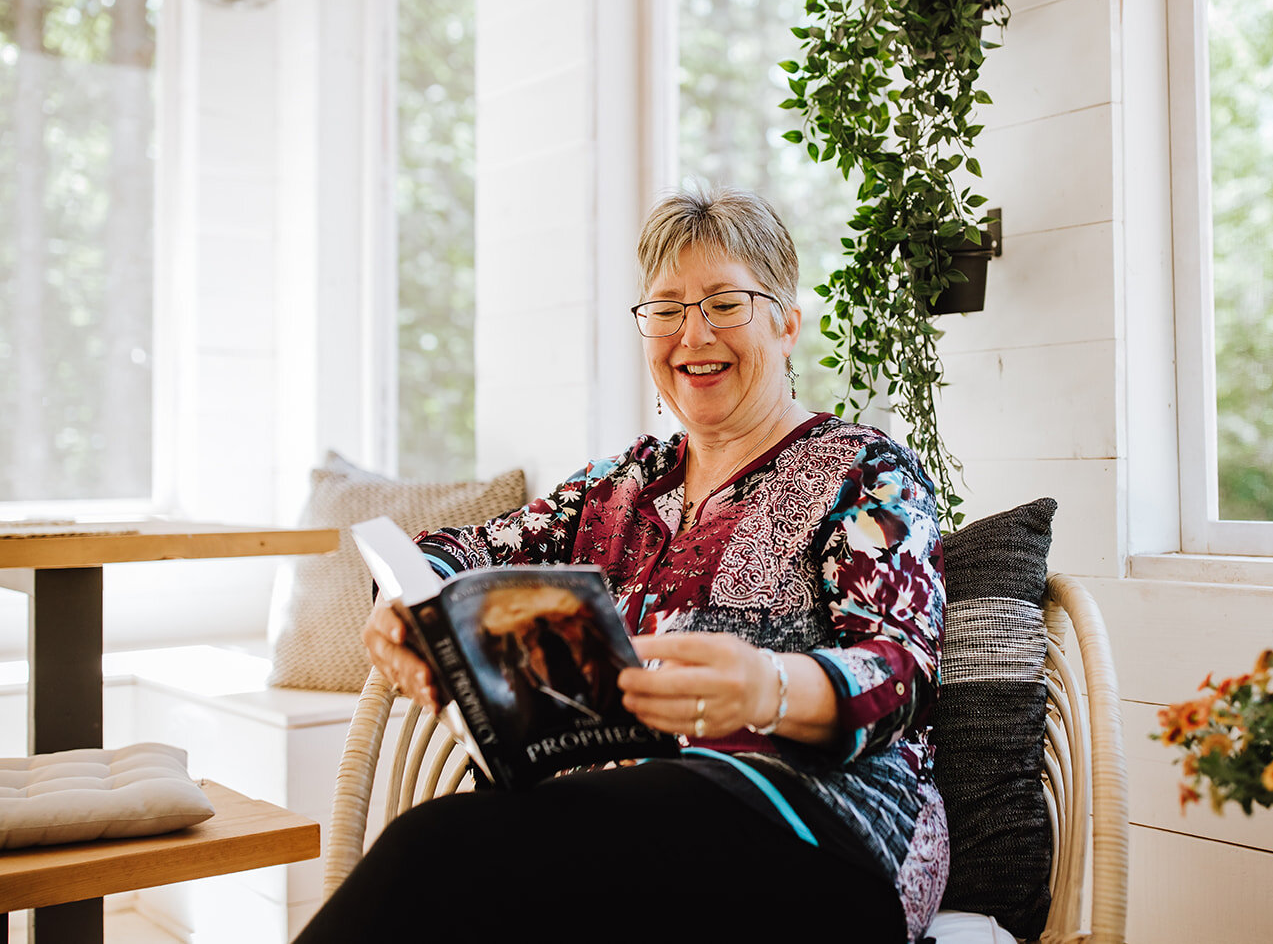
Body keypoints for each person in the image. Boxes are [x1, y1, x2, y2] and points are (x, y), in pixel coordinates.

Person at [296, 186, 947, 944]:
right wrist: (404, 600)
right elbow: (465, 548)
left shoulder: (864, 471)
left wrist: (764, 689)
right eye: (666, 309)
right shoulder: (619, 486)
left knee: (433, 851)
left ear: (787, 324)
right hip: (608, 827)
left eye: (724, 303)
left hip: (821, 834)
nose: (692, 335)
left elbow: (901, 667)